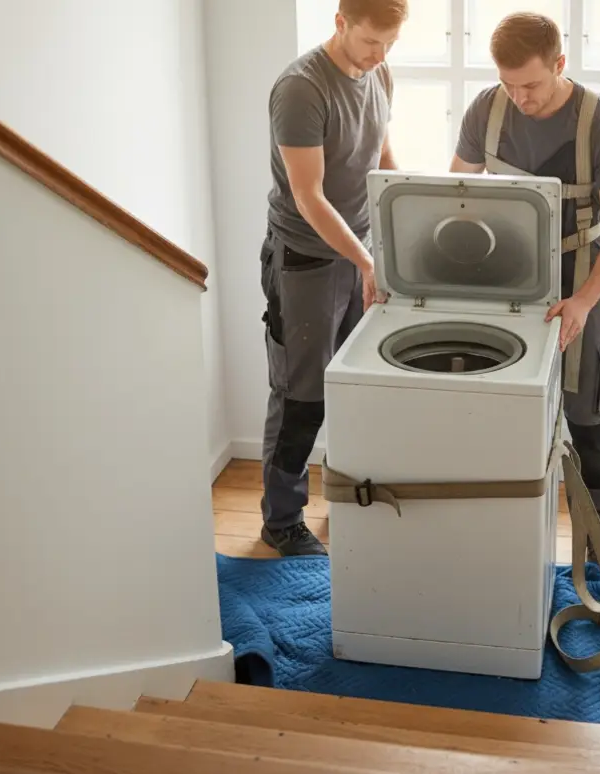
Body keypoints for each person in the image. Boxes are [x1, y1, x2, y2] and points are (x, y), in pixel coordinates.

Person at [451, 11, 600, 563]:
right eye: (509, 84)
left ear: (560, 64)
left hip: (582, 280)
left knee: (590, 429)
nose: (520, 98)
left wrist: (583, 302)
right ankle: (502, 549)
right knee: (500, 419)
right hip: (504, 283)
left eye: (531, 84)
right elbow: (454, 196)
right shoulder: (486, 110)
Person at [259, 0, 408, 556]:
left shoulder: (379, 72)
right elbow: (309, 196)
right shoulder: (301, 89)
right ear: (340, 23)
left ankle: (343, 497)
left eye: (391, 44)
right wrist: (365, 262)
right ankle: (281, 520)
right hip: (305, 260)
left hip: (361, 252)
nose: (380, 55)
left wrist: (410, 227)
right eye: (372, 42)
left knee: (352, 387)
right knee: (302, 395)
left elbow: (383, 161)